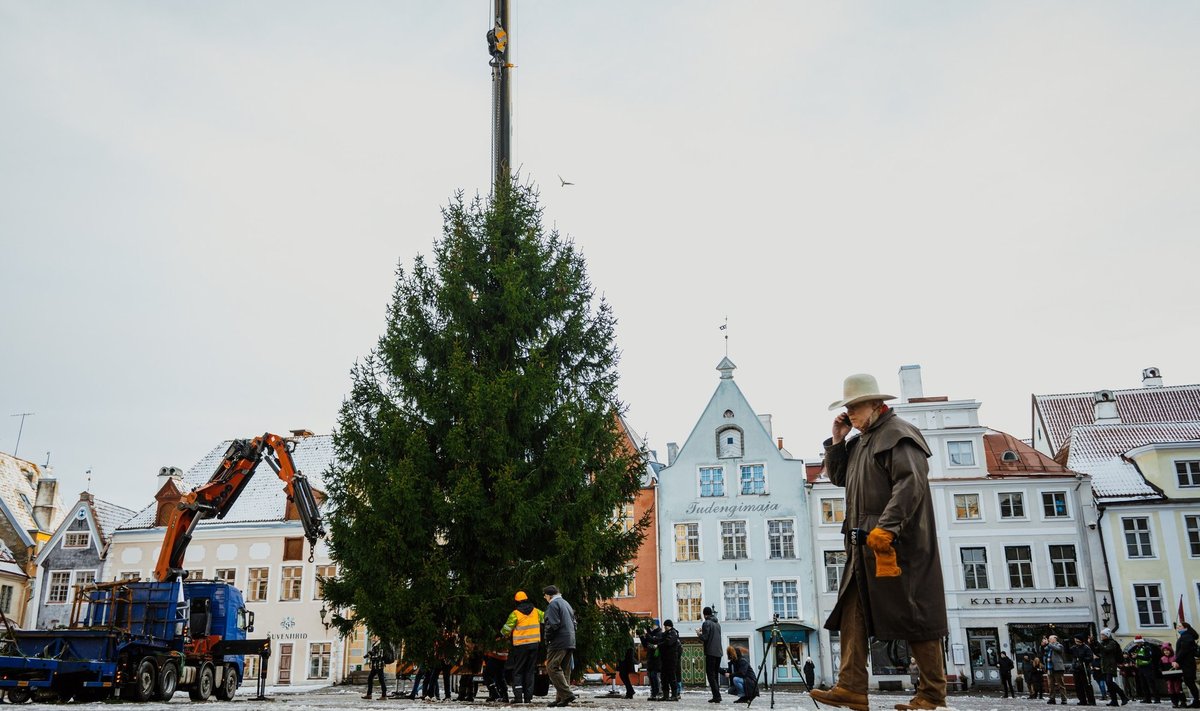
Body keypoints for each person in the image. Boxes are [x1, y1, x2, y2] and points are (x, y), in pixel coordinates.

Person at [809, 374, 948, 711]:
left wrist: (887, 529)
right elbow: (839, 477)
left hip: (898, 547)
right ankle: (852, 687)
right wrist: (838, 440)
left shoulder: (898, 434)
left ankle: (931, 695)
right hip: (862, 550)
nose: (851, 412)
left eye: (855, 406)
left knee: (916, 615)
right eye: (848, 407)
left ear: (876, 403)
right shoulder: (862, 440)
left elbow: (909, 484)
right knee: (851, 614)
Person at [501, 590, 545, 704]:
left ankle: (518, 697)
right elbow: (546, 618)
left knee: (518, 671)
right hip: (534, 645)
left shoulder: (515, 614)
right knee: (530, 671)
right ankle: (528, 697)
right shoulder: (536, 611)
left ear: (516, 602)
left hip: (520, 646)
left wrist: (500, 635)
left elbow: (506, 629)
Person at [542, 585, 577, 708]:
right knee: (565, 670)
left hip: (558, 641)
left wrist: (548, 639)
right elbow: (574, 622)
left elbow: (552, 624)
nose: (544, 597)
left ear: (550, 595)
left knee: (552, 667)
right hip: (570, 640)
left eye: (545, 595)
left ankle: (567, 695)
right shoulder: (566, 603)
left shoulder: (553, 605)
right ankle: (561, 699)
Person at [1097, 629, 1129, 707]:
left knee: (1109, 682)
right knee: (1109, 684)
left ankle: (1123, 696)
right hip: (1104, 665)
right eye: (1101, 635)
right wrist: (1092, 644)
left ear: (1107, 635)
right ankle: (1114, 701)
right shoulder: (1103, 643)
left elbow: (1106, 650)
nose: (1101, 636)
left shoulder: (1112, 643)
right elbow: (1097, 652)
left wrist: (1097, 643)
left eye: (1103, 635)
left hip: (1111, 664)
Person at [699, 606, 723, 703]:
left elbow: (705, 637)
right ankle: (717, 695)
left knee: (710, 675)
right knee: (715, 675)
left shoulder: (706, 623)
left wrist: (699, 634)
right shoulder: (717, 624)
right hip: (718, 652)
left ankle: (717, 696)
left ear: (705, 614)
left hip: (711, 652)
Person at [1173, 621, 1199, 708]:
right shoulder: (1185, 636)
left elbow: (1184, 650)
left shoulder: (1186, 637)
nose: (1178, 628)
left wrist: (1177, 660)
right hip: (1187, 663)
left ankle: (1196, 701)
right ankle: (1196, 700)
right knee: (1189, 682)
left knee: (1190, 682)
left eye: (1180, 626)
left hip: (1187, 664)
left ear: (1185, 628)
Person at [640, 620, 664, 701]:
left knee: (655, 677)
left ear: (656, 625)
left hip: (657, 659)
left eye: (653, 625)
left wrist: (646, 634)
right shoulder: (652, 633)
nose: (651, 627)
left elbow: (654, 641)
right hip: (651, 659)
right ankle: (653, 693)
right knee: (651, 676)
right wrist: (642, 636)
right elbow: (645, 644)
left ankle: (657, 693)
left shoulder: (660, 633)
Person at [1133, 636, 1161, 703]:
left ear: (1141, 641)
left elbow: (1148, 657)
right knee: (1143, 684)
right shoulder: (1137, 648)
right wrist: (1136, 661)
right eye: (1136, 642)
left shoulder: (1147, 647)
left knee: (1151, 683)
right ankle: (1147, 699)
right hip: (1141, 667)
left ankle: (1157, 698)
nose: (1137, 644)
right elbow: (1138, 658)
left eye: (1138, 642)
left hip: (1148, 667)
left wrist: (1137, 656)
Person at [1071, 635, 1096, 706]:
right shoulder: (1074, 647)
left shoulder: (1086, 648)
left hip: (1084, 668)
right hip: (1076, 668)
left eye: (1077, 640)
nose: (1076, 641)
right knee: (1078, 686)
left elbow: (1090, 658)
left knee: (1087, 685)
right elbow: (1069, 652)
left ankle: (1091, 701)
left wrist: (1083, 658)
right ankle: (1082, 700)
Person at [660, 620, 681, 702]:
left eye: (666, 626)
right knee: (664, 677)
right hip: (665, 658)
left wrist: (659, 645)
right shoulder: (665, 634)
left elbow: (668, 643)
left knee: (672, 677)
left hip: (671, 658)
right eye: (664, 626)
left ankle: (674, 695)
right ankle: (665, 695)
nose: (665, 627)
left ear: (670, 626)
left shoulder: (673, 633)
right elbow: (661, 641)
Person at [617, 632, 637, 699]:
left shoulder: (626, 637)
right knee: (623, 675)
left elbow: (628, 649)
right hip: (626, 659)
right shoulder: (628, 637)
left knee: (623, 675)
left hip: (626, 660)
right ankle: (629, 692)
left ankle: (630, 691)